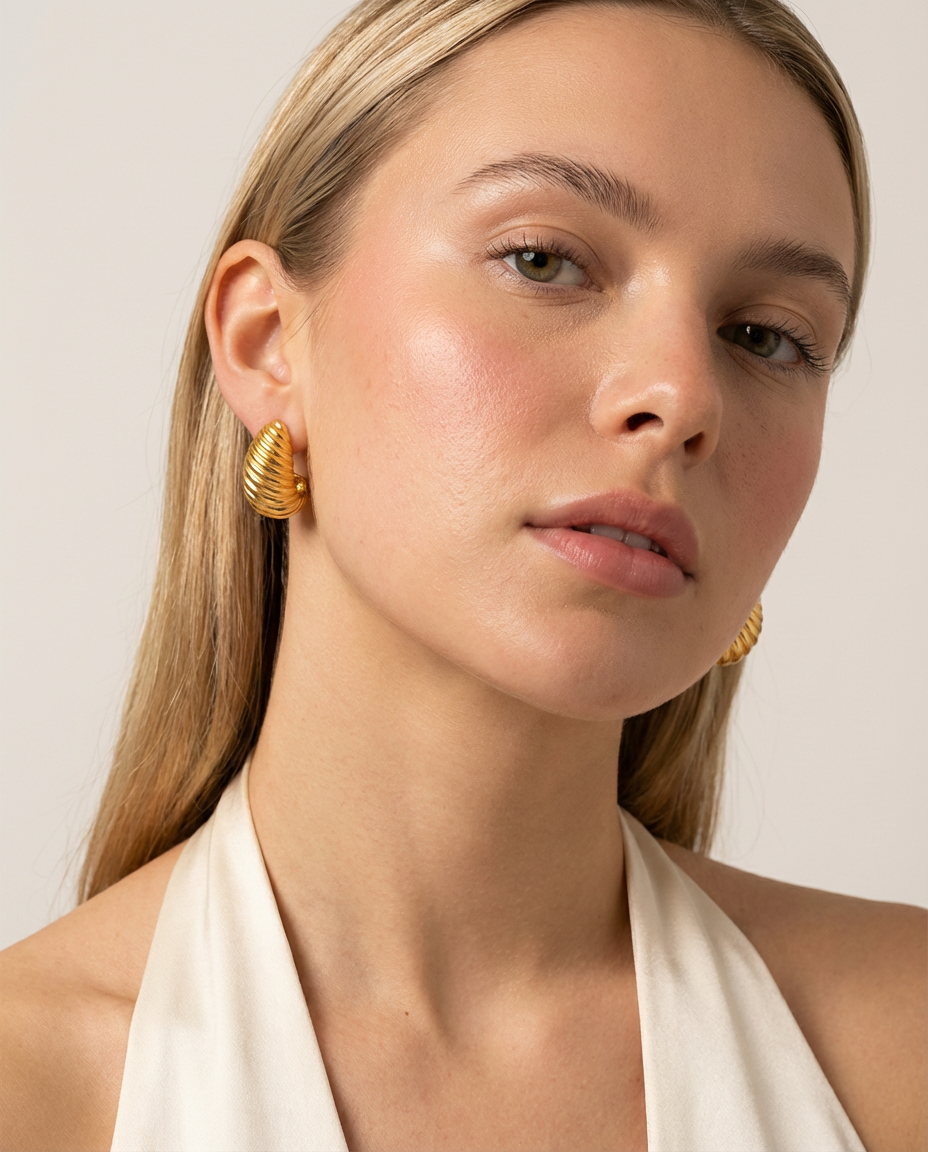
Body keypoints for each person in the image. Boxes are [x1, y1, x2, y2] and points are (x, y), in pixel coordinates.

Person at [1, 0, 924, 1148]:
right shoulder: (30, 1095)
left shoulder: (902, 1053)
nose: (683, 395)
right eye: (543, 261)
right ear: (267, 342)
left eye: (766, 335)